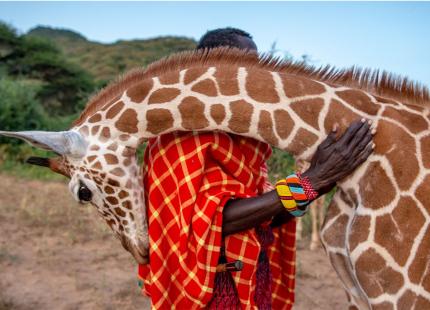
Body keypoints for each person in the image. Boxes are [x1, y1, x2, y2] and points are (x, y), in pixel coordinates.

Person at [137, 27, 374, 309]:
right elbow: (214, 221)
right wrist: (311, 180)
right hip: (208, 295)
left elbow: (265, 216)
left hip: (254, 281)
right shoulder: (176, 139)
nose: (256, 75)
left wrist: (322, 181)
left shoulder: (246, 143)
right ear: (214, 67)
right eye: (247, 64)